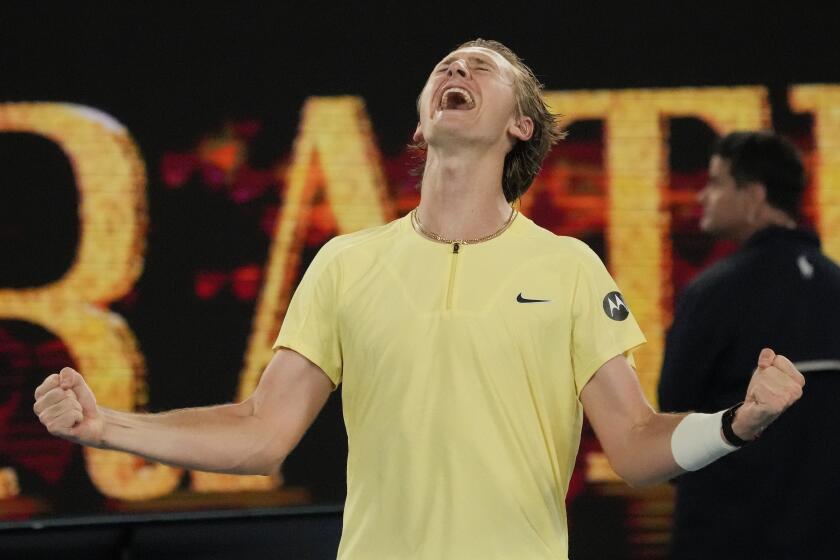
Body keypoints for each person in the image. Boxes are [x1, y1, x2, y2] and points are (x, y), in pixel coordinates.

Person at [33, 41, 804, 560]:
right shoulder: (345, 263)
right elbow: (262, 434)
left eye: (481, 66)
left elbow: (635, 447)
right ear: (422, 119)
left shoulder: (570, 268)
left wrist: (740, 423)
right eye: (445, 66)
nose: (455, 68)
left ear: (520, 125)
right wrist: (106, 428)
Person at [658, 131, 840, 559]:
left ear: (755, 196)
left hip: (726, 539)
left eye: (717, 182)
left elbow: (670, 426)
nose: (703, 196)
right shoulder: (837, 286)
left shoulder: (711, 292)